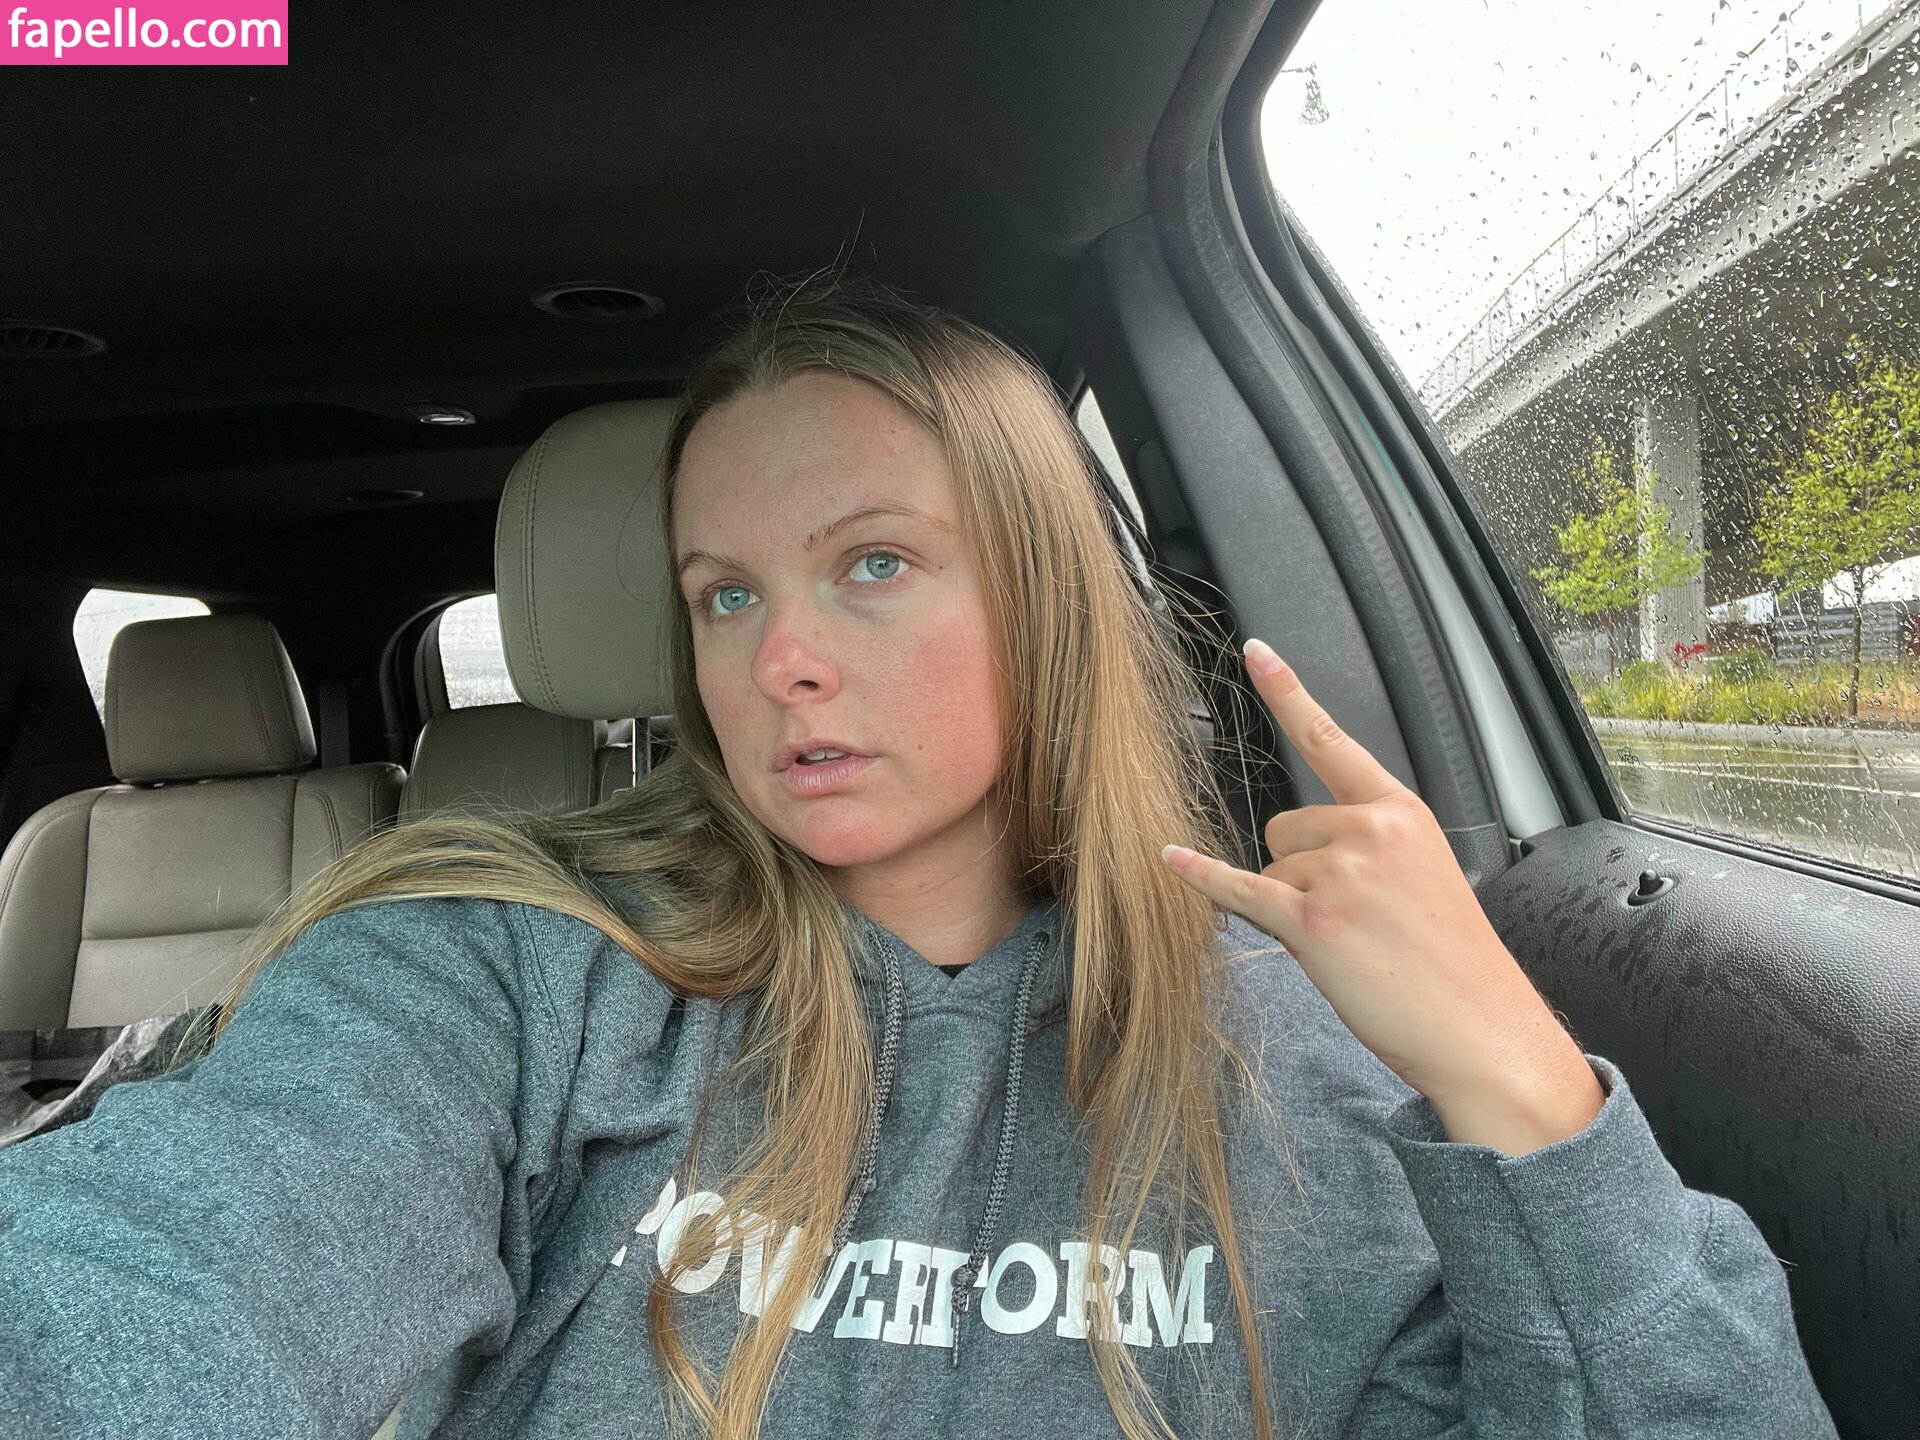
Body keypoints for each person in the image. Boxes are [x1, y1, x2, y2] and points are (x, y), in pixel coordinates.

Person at [0, 272, 1835, 1440]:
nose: (778, 659)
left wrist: (1518, 1085)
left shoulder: (1315, 1058)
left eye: (871, 564)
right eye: (726, 595)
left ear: (1044, 595)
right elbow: (167, 1270)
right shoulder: (511, 964)